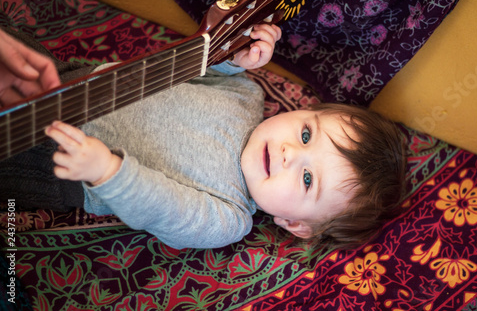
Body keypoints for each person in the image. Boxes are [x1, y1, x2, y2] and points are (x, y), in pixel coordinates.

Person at [0, 25, 406, 250]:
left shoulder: (228, 217)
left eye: (306, 179)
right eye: (305, 134)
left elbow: (162, 208)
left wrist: (108, 170)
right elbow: (195, 71)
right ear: (302, 112)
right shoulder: (247, 93)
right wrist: (233, 58)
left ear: (294, 223)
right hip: (59, 78)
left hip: (50, 157)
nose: (287, 153)